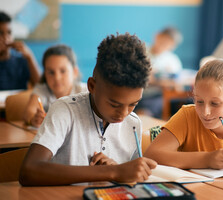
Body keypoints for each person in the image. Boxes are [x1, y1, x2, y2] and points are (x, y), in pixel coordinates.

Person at [19, 33, 157, 186]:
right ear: (92, 86)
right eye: (114, 104)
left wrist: (117, 170)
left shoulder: (133, 123)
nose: (124, 114)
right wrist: (113, 172)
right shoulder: (65, 110)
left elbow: (131, 179)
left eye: (133, 104)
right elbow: (29, 171)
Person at [23, 44, 88, 128]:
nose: (57, 77)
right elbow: (29, 112)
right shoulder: (42, 90)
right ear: (45, 74)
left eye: (63, 71)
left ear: (75, 72)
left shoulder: (85, 91)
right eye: (51, 72)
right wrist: (33, 119)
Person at [136, 26, 183, 118]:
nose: (165, 45)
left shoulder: (172, 60)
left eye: (169, 44)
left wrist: (156, 79)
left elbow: (176, 83)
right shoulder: (140, 51)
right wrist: (159, 81)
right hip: (140, 93)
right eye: (164, 40)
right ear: (157, 36)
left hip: (159, 96)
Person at [0, 11, 40, 90]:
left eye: (9, 32)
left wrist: (29, 57)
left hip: (17, 102)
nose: (6, 38)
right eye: (1, 33)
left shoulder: (21, 61)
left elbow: (40, 86)